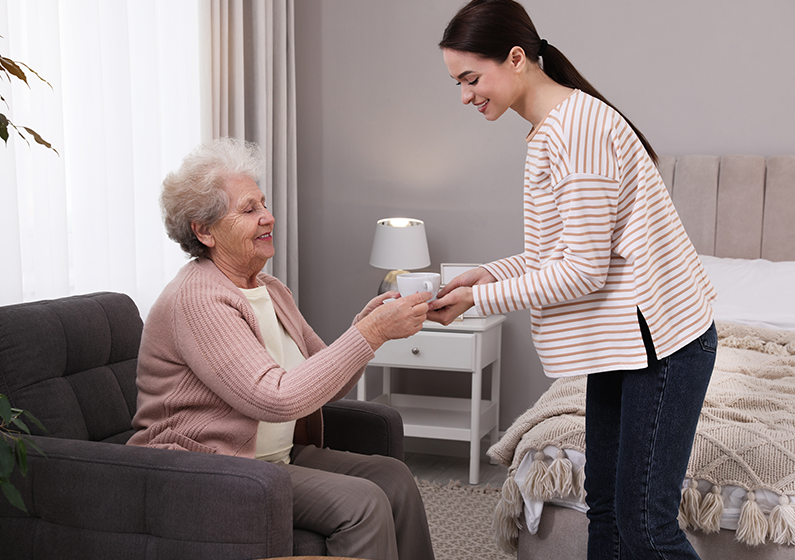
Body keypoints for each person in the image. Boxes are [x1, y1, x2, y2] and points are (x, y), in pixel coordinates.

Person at [431, 1, 718, 559]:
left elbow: (582, 273)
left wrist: (479, 298)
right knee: (606, 509)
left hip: (662, 341)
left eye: (470, 78)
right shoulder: (552, 128)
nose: (464, 95)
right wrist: (488, 274)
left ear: (516, 58)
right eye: (457, 82)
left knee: (643, 524)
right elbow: (559, 253)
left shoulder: (576, 130)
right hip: (622, 342)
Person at [127, 137, 435, 560]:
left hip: (272, 459)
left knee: (393, 478)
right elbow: (276, 398)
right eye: (249, 209)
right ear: (204, 230)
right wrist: (372, 335)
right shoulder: (198, 299)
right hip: (211, 470)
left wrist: (363, 329)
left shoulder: (270, 289)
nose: (268, 217)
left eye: (264, 204)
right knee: (363, 504)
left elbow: (329, 383)